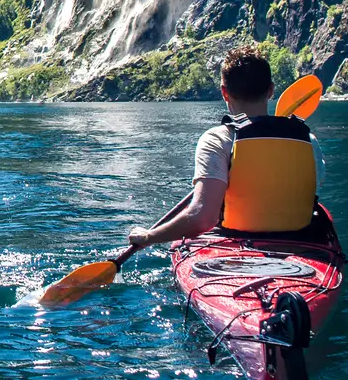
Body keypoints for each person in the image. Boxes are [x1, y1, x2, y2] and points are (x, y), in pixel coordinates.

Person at [128, 46, 325, 247]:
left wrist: (148, 237)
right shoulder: (308, 139)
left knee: (178, 243)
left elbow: (203, 218)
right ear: (271, 90)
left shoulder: (218, 139)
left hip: (236, 242)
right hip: (302, 243)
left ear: (224, 92)